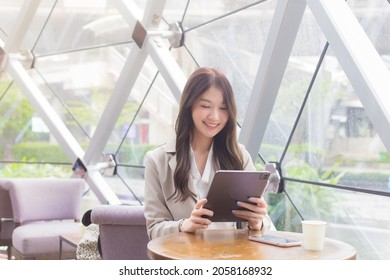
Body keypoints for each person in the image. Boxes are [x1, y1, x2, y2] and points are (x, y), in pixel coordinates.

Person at [144, 67, 273, 240]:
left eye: (223, 108)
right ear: (189, 106)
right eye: (206, 106)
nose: (215, 116)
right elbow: (154, 229)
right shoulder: (157, 160)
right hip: (184, 261)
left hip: (231, 260)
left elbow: (263, 222)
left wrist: (257, 222)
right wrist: (184, 225)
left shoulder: (239, 156)